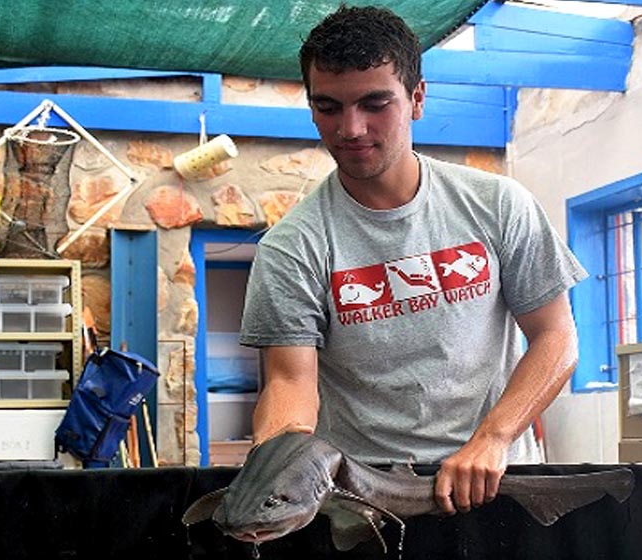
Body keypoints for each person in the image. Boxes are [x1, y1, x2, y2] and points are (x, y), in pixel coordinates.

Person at [238, 5, 587, 517]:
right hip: (365, 501)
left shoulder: (498, 205)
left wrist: (494, 438)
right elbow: (290, 382)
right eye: (329, 107)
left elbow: (556, 336)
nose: (351, 128)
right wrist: (283, 458)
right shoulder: (291, 247)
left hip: (498, 480)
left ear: (417, 97)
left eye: (374, 103)